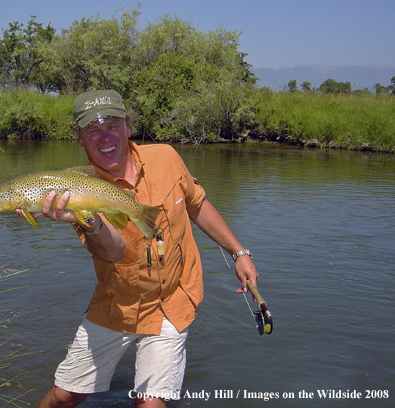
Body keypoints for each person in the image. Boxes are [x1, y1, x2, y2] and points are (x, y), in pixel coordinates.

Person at [18, 90, 259, 408]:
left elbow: (197, 205)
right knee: (64, 396)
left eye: (112, 125)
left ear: (128, 127)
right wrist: (88, 219)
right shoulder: (74, 190)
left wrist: (239, 253)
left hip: (173, 300)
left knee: (150, 404)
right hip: (117, 303)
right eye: (93, 129)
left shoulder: (167, 158)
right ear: (80, 138)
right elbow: (113, 252)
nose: (104, 136)